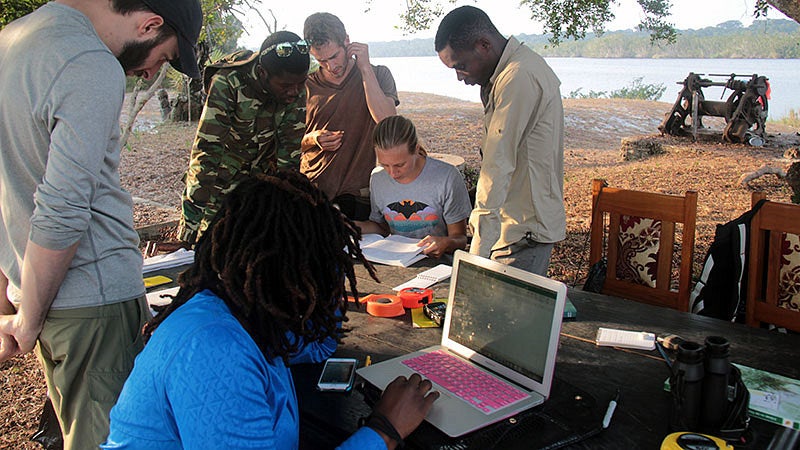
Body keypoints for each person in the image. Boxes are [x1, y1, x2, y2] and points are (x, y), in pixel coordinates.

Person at [103, 171, 438, 449]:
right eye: (321, 269)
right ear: (284, 272)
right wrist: (384, 430)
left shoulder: (251, 316)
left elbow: (319, 343)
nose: (325, 284)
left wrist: (326, 297)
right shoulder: (215, 348)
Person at [0, 0, 202, 448]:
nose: (151, 74)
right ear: (149, 24)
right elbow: (63, 206)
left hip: (42, 291)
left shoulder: (13, 40)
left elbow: (6, 185)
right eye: (164, 57)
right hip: (93, 301)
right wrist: (27, 319)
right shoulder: (90, 63)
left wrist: (12, 299)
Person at [435, 6, 567, 276]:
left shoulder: (518, 76)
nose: (459, 76)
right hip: (512, 226)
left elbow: (497, 168)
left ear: (484, 45)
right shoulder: (509, 72)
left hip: (522, 231)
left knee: (496, 314)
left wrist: (476, 258)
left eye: (461, 66)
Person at [177, 30, 310, 246]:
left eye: (300, 83)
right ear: (262, 72)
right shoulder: (228, 83)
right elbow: (206, 153)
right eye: (286, 86)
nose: (294, 92)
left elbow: (290, 156)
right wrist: (188, 230)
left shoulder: (294, 88)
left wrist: (289, 212)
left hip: (259, 184)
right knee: (209, 248)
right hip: (219, 183)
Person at [301, 12, 399, 220]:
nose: (331, 66)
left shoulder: (379, 74)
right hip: (312, 190)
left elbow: (388, 122)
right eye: (321, 60)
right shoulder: (305, 85)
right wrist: (313, 138)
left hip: (358, 194)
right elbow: (288, 141)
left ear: (347, 41)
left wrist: (364, 68)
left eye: (334, 56)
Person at [355, 116, 472, 259]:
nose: (392, 173)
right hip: (397, 260)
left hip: (438, 262)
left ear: (416, 149)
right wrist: (351, 226)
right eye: (384, 165)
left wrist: (445, 242)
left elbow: (460, 239)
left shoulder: (446, 177)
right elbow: (381, 228)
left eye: (399, 165)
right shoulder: (378, 178)